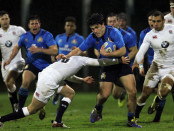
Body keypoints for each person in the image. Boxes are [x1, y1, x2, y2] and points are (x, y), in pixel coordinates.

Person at [57, 13, 142, 128]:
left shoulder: (114, 32)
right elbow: (78, 49)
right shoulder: (92, 37)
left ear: (103, 25)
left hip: (122, 64)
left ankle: (131, 120)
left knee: (132, 92)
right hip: (107, 66)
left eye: (97, 27)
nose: (95, 31)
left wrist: (107, 54)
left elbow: (122, 51)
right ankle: (98, 108)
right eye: (92, 29)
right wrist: (67, 56)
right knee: (104, 95)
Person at [0, 55, 129, 128]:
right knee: (31, 109)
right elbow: (100, 62)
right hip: (49, 82)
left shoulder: (70, 58)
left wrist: (82, 81)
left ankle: (58, 122)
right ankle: (2, 120)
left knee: (70, 93)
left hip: (48, 76)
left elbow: (67, 75)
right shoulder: (82, 59)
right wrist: (118, 60)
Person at [3, 15, 58, 112]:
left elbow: (54, 51)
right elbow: (16, 47)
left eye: (36, 23)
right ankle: (19, 110)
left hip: (46, 66)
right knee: (25, 82)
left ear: (39, 24)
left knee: (42, 90)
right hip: (32, 64)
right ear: (29, 26)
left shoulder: (47, 35)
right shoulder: (25, 37)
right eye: (32, 24)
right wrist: (9, 60)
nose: (34, 25)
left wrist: (40, 50)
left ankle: (42, 106)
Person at [134, 11, 174, 122]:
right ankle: (135, 117)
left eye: (158, 21)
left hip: (171, 68)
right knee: (144, 95)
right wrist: (138, 61)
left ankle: (157, 100)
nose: (155, 24)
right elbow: (141, 51)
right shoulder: (149, 35)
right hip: (155, 67)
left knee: (165, 91)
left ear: (163, 21)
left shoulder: (172, 29)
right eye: (153, 21)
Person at [101, 13, 137, 108]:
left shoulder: (127, 35)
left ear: (117, 22)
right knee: (114, 95)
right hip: (109, 66)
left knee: (132, 92)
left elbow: (134, 50)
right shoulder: (102, 34)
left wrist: (127, 59)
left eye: (114, 21)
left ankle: (132, 118)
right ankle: (99, 108)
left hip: (122, 67)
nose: (112, 23)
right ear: (106, 23)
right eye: (110, 21)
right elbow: (96, 47)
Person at [53, 16, 85, 105]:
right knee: (61, 85)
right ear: (65, 26)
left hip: (71, 67)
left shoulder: (80, 38)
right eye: (68, 25)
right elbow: (54, 50)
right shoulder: (58, 37)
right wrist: (53, 57)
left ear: (75, 27)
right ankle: (57, 95)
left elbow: (85, 53)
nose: (69, 27)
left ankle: (59, 99)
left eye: (71, 26)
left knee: (67, 87)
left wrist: (79, 51)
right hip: (58, 66)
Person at [0, 11, 26, 112]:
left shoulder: (18, 30)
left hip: (18, 61)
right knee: (9, 85)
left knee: (9, 81)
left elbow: (28, 40)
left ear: (9, 19)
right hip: (5, 64)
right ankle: (15, 108)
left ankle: (16, 105)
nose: (5, 21)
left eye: (6, 18)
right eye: (2, 19)